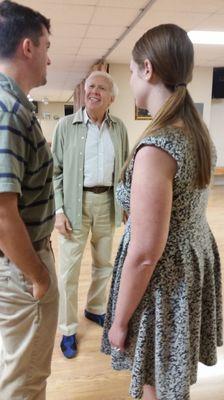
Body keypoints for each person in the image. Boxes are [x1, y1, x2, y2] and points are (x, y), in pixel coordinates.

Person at [101, 23, 223, 400]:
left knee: (155, 379)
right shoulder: (194, 129)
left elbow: (144, 253)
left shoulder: (158, 145)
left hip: (162, 282)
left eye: (133, 70)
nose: (133, 78)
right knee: (165, 376)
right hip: (187, 265)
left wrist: (118, 322)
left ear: (148, 69)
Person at [0, 1, 58, 399]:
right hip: (22, 267)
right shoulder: (9, 111)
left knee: (17, 368)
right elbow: (3, 215)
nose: (49, 59)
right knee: (25, 380)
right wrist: (39, 275)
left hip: (17, 264)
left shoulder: (13, 104)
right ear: (27, 47)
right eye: (46, 46)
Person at [52, 70, 129, 359]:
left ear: (111, 98)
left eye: (101, 88)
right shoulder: (65, 126)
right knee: (68, 272)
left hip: (106, 203)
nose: (94, 91)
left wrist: (125, 205)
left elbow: (122, 169)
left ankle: (94, 309)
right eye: (90, 87)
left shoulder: (119, 128)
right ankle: (68, 328)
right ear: (84, 92)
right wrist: (58, 211)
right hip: (75, 205)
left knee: (103, 265)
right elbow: (55, 172)